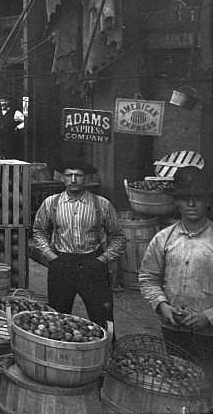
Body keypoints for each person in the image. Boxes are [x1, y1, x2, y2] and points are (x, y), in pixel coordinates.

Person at [138, 166, 213, 384]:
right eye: (184, 198)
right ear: (176, 202)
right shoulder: (164, 239)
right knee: (178, 381)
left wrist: (207, 316)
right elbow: (148, 278)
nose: (191, 204)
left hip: (209, 334)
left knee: (207, 384)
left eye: (198, 198)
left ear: (208, 201)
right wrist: (162, 305)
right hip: (173, 328)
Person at [32, 156, 125, 326]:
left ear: (86, 178)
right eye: (69, 175)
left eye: (78, 175)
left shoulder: (102, 205)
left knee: (102, 317)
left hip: (92, 265)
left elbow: (118, 236)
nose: (73, 180)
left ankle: (107, 343)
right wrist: (50, 255)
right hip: (61, 265)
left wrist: (103, 259)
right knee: (57, 320)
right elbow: (39, 231)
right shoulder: (51, 203)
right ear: (62, 178)